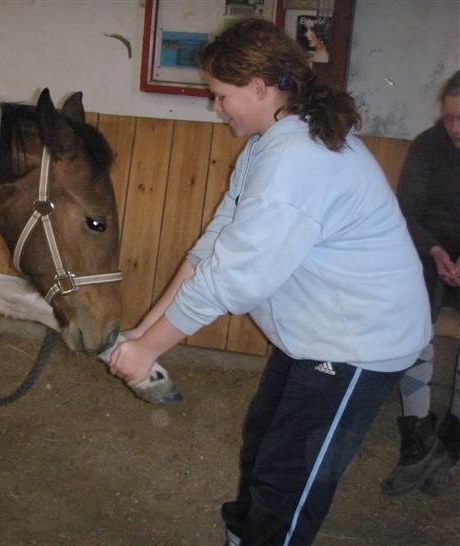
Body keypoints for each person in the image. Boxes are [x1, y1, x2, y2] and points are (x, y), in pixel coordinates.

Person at [108, 18, 431, 546]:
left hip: (357, 341)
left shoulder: (297, 160)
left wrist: (150, 349)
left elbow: (233, 281)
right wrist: (142, 333)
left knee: (291, 478)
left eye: (220, 95)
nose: (216, 108)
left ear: (259, 87)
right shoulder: (270, 144)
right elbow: (212, 248)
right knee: (262, 446)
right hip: (314, 333)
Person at [382, 70, 460, 497]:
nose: (455, 128)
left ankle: (454, 436)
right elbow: (406, 213)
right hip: (427, 250)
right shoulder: (428, 147)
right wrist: (434, 251)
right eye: (449, 118)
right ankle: (417, 433)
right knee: (411, 317)